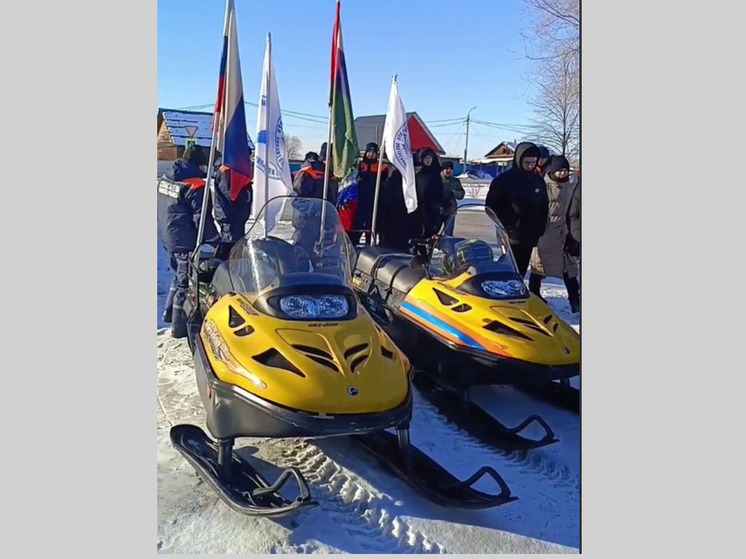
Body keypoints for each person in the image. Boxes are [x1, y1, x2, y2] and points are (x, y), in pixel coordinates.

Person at [157, 144, 220, 338]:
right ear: (200, 165)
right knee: (185, 282)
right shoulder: (196, 185)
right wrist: (216, 240)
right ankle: (178, 328)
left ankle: (169, 313)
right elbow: (202, 218)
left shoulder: (166, 177)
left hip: (167, 235)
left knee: (178, 275)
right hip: (184, 239)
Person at [485, 141, 549, 277]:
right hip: (509, 236)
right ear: (519, 159)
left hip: (529, 236)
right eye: (527, 162)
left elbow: (544, 207)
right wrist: (504, 228)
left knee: (521, 272)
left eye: (533, 162)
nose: (530, 165)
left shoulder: (538, 181)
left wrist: (540, 230)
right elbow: (491, 207)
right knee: (507, 271)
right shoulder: (503, 181)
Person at [527, 155, 580, 313]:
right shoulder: (544, 185)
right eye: (559, 171)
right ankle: (534, 294)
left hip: (566, 233)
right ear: (552, 171)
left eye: (565, 171)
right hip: (546, 233)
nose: (563, 174)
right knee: (539, 266)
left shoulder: (572, 186)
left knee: (569, 268)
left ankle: (574, 300)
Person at [212, 149, 253, 258]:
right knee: (230, 255)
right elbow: (230, 196)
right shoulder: (230, 172)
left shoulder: (227, 169)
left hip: (232, 219)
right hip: (231, 221)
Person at [350, 142, 389, 245]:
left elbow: (384, 183)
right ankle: (353, 243)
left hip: (374, 200)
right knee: (357, 224)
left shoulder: (381, 167)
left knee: (371, 224)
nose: (371, 154)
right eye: (369, 152)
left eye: (373, 152)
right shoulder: (359, 165)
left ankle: (369, 243)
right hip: (359, 200)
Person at [415, 147, 445, 238]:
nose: (428, 160)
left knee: (432, 232)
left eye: (429, 158)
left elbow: (441, 190)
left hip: (433, 209)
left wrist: (439, 204)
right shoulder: (419, 174)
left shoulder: (437, 173)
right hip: (420, 209)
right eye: (425, 158)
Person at [440, 160, 465, 236]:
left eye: (450, 169)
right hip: (438, 211)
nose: (448, 171)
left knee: (448, 234)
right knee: (433, 233)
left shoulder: (455, 181)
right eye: (446, 169)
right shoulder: (437, 180)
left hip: (450, 211)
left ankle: (446, 246)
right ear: (442, 170)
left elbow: (461, 194)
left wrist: (453, 192)